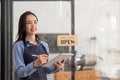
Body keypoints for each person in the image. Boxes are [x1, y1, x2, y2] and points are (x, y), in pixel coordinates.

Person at [13, 11, 64, 80]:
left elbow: (45, 69)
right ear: (23, 26)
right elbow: (20, 72)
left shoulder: (44, 45)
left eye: (35, 22)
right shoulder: (18, 46)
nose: (33, 25)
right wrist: (34, 64)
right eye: (29, 23)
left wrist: (56, 67)